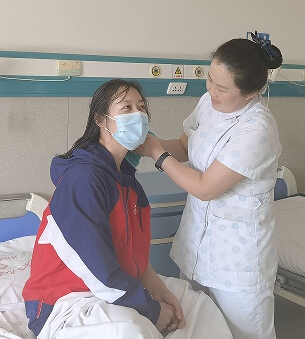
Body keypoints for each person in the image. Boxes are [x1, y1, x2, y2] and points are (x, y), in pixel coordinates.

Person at [136, 35, 283, 339]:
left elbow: (205, 187)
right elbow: (183, 146)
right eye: (209, 80)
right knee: (197, 331)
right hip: (198, 248)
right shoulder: (208, 104)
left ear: (250, 92)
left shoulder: (257, 127)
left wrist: (157, 155)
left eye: (222, 88)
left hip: (237, 262)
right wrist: (143, 142)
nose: (212, 91)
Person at [23, 79, 185, 338]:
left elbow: (134, 255)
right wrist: (152, 310)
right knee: (132, 331)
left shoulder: (128, 183)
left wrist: (159, 291)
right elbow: (94, 267)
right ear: (101, 119)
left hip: (115, 291)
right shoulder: (83, 179)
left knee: (196, 307)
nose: (138, 114)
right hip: (67, 301)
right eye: (127, 107)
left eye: (142, 107)